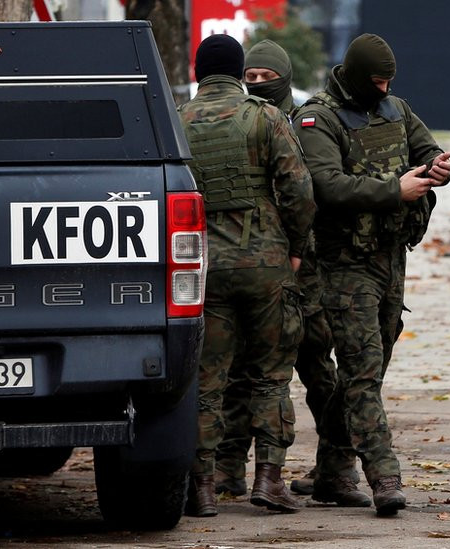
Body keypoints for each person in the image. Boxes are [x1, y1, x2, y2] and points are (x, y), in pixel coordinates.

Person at [293, 33, 450, 516]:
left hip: (391, 257)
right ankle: (385, 476)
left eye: (389, 82)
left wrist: (437, 168)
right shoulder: (317, 118)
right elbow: (326, 184)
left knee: (365, 371)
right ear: (358, 76)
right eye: (377, 82)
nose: (384, 90)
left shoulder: (396, 109)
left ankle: (331, 473)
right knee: (362, 371)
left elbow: (427, 148)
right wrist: (392, 191)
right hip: (344, 264)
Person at [214, 39, 369, 507]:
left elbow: (318, 191)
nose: (259, 83)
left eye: (267, 76)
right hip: (260, 269)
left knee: (320, 372)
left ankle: (337, 467)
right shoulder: (243, 121)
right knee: (242, 371)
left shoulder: (307, 123)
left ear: (284, 77)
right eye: (252, 76)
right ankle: (228, 468)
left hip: (307, 270)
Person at [178, 33, 316, 517]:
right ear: (240, 73)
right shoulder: (266, 116)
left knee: (206, 379)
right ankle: (269, 480)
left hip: (203, 267)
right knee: (271, 375)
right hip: (265, 264)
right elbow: (299, 191)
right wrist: (295, 248)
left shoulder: (176, 121)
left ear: (198, 72)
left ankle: (203, 487)